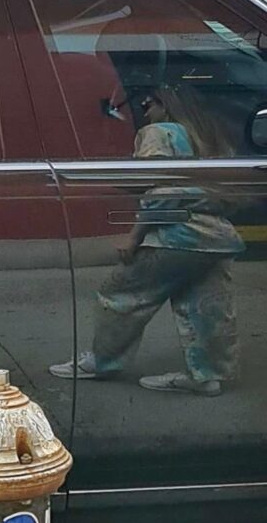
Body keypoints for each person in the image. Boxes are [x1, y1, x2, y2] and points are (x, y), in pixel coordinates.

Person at [51, 83, 242, 396]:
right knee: (204, 307)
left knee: (120, 296)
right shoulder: (209, 138)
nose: (143, 113)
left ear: (165, 105)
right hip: (217, 237)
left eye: (147, 105)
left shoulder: (159, 132)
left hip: (174, 235)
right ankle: (207, 376)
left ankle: (102, 361)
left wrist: (135, 235)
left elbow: (160, 188)